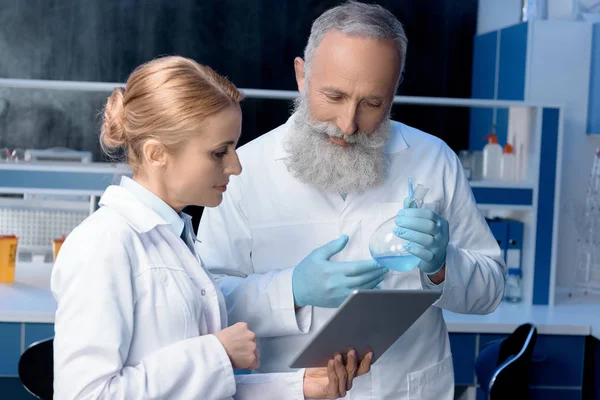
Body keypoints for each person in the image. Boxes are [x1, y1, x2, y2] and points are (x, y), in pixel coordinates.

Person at [197, 2, 507, 399]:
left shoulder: (433, 160)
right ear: (301, 76)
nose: (348, 123)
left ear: (393, 93)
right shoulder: (243, 172)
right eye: (334, 96)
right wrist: (291, 289)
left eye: (372, 103)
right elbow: (208, 304)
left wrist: (443, 266)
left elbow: (490, 291)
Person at [51, 56, 372, 400]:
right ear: (157, 153)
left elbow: (202, 389)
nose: (235, 166)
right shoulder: (103, 244)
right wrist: (217, 353)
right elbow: (85, 395)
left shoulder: (176, 238)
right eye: (220, 152)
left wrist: (300, 387)